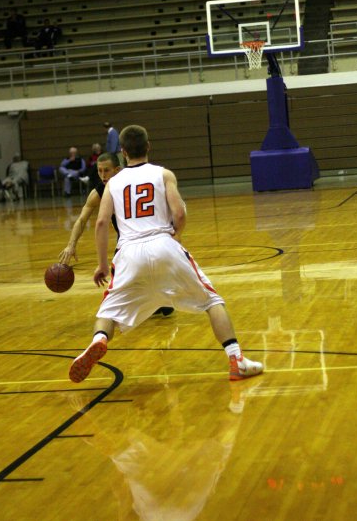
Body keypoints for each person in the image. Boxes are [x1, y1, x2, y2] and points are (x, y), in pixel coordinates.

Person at [69, 124, 263, 384]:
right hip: (163, 243)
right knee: (211, 301)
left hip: (128, 252)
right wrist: (175, 235)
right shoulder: (163, 174)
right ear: (148, 146)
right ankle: (236, 360)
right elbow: (179, 212)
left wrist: (102, 265)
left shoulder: (114, 182)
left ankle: (99, 340)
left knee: (109, 311)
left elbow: (102, 223)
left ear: (123, 152)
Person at [58, 152, 173, 318]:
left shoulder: (136, 181)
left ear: (117, 170)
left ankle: (113, 320)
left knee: (127, 280)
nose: (103, 175)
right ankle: (153, 300)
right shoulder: (99, 191)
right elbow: (82, 219)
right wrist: (71, 245)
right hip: (128, 241)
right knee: (129, 279)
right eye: (99, 171)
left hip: (151, 235)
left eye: (106, 171)